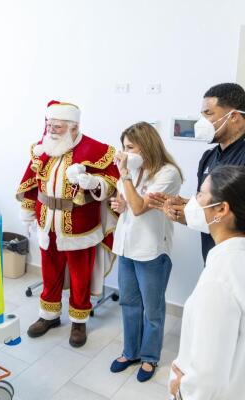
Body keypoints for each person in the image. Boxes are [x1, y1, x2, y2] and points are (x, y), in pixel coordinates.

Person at [16, 100, 119, 347]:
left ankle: (78, 321)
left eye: (57, 127)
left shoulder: (96, 150)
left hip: (80, 225)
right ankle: (49, 316)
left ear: (74, 127)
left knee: (80, 276)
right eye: (49, 125)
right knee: (49, 271)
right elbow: (31, 182)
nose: (51, 130)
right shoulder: (42, 148)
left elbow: (112, 183)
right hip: (46, 223)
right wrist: (27, 212)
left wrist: (93, 183)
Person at [109, 122, 183, 382]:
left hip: (152, 251)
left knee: (152, 309)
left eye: (130, 147)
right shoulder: (132, 169)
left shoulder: (168, 174)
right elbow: (128, 205)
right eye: (123, 147)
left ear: (146, 145)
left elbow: (139, 208)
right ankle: (130, 352)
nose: (125, 152)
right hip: (126, 246)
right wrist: (120, 205)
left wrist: (125, 176)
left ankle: (150, 357)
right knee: (129, 302)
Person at [169, 165, 245, 399]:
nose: (193, 201)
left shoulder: (219, 280)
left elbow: (207, 376)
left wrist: (182, 390)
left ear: (221, 209)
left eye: (200, 194)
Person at [149, 83, 245, 262]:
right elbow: (210, 205)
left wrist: (192, 214)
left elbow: (235, 213)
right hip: (211, 255)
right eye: (202, 115)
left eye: (209, 113)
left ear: (234, 116)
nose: (202, 122)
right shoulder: (208, 157)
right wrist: (186, 208)